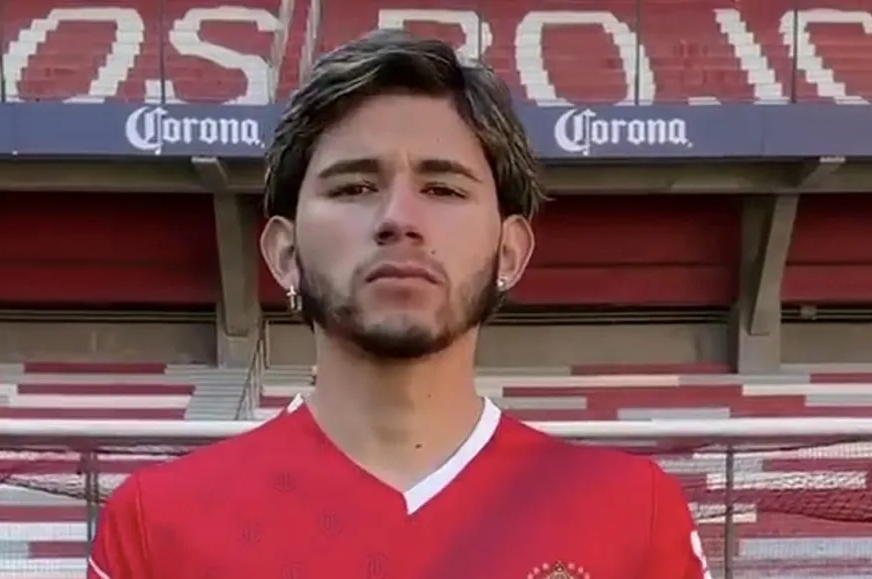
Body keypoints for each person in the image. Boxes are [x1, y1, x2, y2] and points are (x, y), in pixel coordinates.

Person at [87, 29, 711, 579]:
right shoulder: (156, 524)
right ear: (283, 253)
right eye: (355, 186)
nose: (399, 219)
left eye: (442, 188)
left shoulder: (636, 516)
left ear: (510, 251)